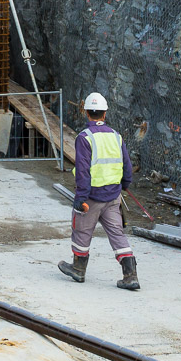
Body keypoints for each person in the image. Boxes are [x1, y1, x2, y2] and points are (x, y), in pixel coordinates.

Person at [59, 92, 140, 290]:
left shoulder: (84, 138)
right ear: (104, 114)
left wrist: (81, 197)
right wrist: (124, 185)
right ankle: (130, 275)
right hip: (113, 196)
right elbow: (126, 166)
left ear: (86, 113)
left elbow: (84, 171)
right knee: (117, 234)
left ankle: (78, 269)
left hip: (92, 198)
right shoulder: (116, 136)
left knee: (82, 231)